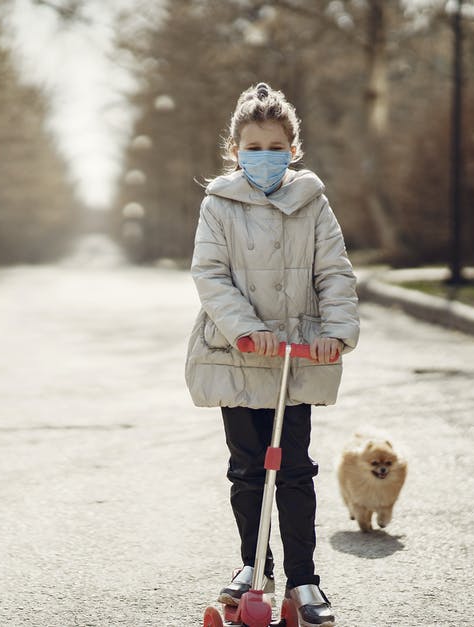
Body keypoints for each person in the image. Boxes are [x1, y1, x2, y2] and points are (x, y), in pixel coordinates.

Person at [185, 82, 359, 627]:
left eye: (275, 147)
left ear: (293, 149)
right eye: (253, 148)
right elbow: (210, 274)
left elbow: (334, 273)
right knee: (247, 469)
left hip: (294, 355)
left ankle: (304, 578)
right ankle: (252, 566)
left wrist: (336, 332)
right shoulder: (219, 204)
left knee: (294, 471)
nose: (264, 157)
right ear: (235, 150)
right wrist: (244, 328)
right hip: (238, 353)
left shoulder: (313, 204)